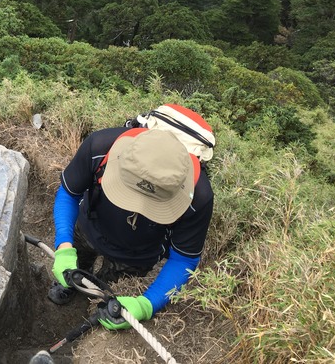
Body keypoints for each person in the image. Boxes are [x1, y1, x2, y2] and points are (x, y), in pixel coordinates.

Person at [49, 121, 214, 331]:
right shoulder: (100, 148)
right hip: (90, 226)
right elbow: (69, 193)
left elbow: (184, 258)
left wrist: (145, 305)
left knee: (108, 285)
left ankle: (96, 294)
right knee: (77, 262)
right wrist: (64, 246)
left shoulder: (199, 197)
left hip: (137, 255)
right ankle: (75, 281)